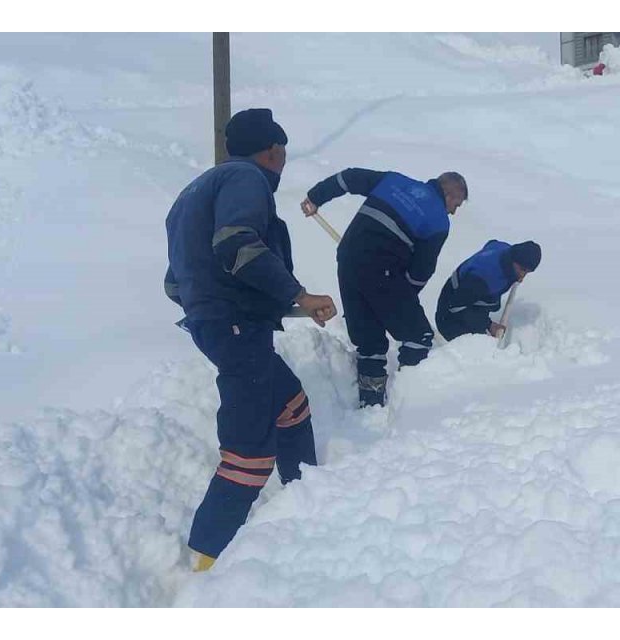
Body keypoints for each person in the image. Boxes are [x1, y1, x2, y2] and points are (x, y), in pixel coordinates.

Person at [164, 108, 338, 572]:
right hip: (235, 328)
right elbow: (238, 244)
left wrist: (274, 306)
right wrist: (296, 293)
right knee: (249, 451)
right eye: (283, 151)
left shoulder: (192, 193)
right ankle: (206, 559)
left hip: (223, 325)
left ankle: (306, 495)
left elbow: (175, 283)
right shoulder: (247, 179)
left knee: (291, 405)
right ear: (274, 150)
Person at [301, 168, 468, 407]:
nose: (453, 211)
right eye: (456, 205)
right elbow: (422, 270)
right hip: (383, 270)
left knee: (369, 341)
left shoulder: (394, 181)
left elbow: (349, 178)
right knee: (417, 337)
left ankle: (371, 403)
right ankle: (411, 402)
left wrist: (316, 196)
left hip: (348, 259)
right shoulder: (438, 220)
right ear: (450, 194)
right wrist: (400, 302)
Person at [435, 240, 540, 342]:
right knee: (477, 346)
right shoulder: (483, 277)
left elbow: (492, 243)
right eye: (522, 269)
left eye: (527, 272)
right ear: (514, 260)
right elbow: (455, 307)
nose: (522, 277)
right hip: (449, 314)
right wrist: (488, 325)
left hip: (470, 297)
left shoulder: (506, 250)